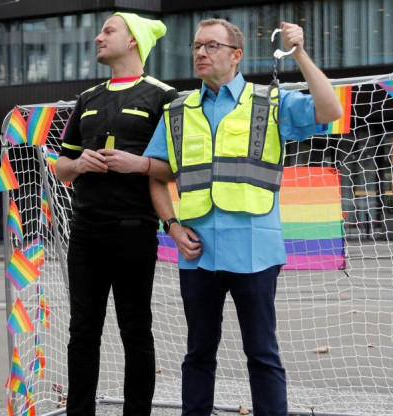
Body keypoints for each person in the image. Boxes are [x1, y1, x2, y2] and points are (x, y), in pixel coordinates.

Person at [142, 18, 342, 415]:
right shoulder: (178, 109)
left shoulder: (270, 101)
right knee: (197, 353)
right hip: (197, 252)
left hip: (256, 251)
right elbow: (156, 174)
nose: (201, 52)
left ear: (236, 55)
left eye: (211, 46)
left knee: (262, 353)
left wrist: (298, 52)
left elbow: (330, 109)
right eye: (197, 46)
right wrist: (172, 226)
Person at [54, 12, 178, 416]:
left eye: (108, 31)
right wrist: (79, 165)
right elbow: (61, 166)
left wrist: (137, 163)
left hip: (135, 230)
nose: (97, 37)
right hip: (86, 232)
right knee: (82, 333)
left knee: (135, 331)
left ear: (133, 41)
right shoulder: (87, 100)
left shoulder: (164, 96)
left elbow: (178, 168)